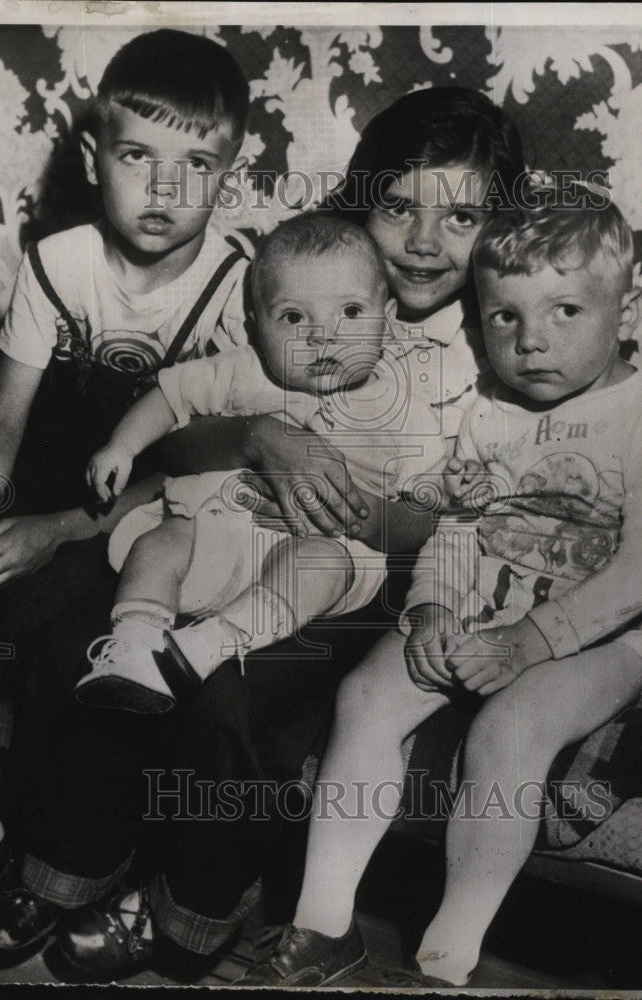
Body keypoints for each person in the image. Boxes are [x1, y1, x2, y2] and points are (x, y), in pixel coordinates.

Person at [0, 87, 527, 976]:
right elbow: (191, 421)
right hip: (223, 519)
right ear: (362, 203)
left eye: (460, 217)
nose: (424, 243)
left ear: (494, 227)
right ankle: (66, 867)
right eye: (397, 209)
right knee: (93, 639)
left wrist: (337, 496)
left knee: (233, 697)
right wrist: (264, 440)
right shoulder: (300, 274)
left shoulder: (488, 344)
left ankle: (188, 911)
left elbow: (444, 524)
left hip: (347, 573)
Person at [239, 190, 642, 987]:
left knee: (510, 727)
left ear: (627, 308)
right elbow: (454, 525)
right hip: (481, 609)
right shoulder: (485, 407)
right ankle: (322, 925)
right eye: (502, 317)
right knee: (369, 695)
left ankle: (446, 956)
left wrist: (527, 644)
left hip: (604, 636)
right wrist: (433, 609)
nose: (529, 342)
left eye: (564, 311)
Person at [0, 28, 251, 978]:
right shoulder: (60, 258)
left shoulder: (234, 289)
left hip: (161, 505)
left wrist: (53, 530)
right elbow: (5, 414)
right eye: (139, 156)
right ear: (95, 153)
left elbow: (198, 476)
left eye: (197, 164)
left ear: (230, 171)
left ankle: (28, 831)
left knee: (74, 608)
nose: (165, 190)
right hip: (60, 464)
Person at [75, 214, 446, 714]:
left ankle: (210, 646)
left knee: (317, 565)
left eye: (351, 311)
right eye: (294, 318)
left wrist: (363, 515)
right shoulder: (247, 370)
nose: (321, 337)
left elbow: (424, 517)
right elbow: (170, 395)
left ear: (388, 316)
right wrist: (122, 446)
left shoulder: (408, 417)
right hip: (212, 537)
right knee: (159, 541)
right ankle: (134, 646)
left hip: (314, 557)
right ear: (255, 324)